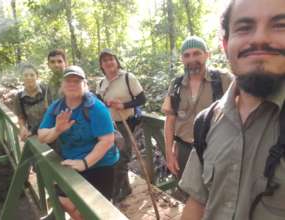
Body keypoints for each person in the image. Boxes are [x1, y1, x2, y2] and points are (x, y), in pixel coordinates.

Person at [179, 0, 285, 219]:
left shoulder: (220, 78)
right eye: (244, 27)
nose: (260, 38)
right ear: (225, 44)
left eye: (280, 25)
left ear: (207, 55)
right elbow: (197, 201)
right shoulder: (206, 122)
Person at [38, 65, 119, 220]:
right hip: (72, 162)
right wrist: (57, 130)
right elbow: (42, 136)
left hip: (101, 163)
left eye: (77, 81)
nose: (72, 84)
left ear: (85, 85)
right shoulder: (56, 107)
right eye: (69, 80)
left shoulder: (96, 107)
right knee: (65, 200)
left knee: (97, 209)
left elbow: (107, 140)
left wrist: (85, 163)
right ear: (62, 85)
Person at [161, 36, 232, 181]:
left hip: (216, 149)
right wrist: (169, 153)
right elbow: (170, 120)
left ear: (207, 55)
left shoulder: (224, 80)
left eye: (197, 53)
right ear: (182, 59)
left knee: (216, 194)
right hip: (184, 150)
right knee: (186, 192)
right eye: (187, 55)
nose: (191, 59)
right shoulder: (176, 85)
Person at [96, 48, 146, 203]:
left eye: (111, 59)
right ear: (101, 65)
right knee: (112, 157)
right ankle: (123, 188)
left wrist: (123, 105)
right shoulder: (101, 83)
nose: (109, 62)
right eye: (105, 61)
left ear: (116, 61)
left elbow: (142, 99)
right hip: (108, 125)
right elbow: (98, 104)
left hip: (126, 124)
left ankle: (119, 190)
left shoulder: (128, 78)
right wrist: (106, 104)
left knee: (122, 157)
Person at [14, 64, 52, 141]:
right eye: (26, 75)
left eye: (32, 75)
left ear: (37, 76)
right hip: (33, 135)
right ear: (22, 77)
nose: (29, 78)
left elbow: (52, 113)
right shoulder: (19, 97)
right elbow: (21, 117)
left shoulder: (47, 90)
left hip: (50, 131)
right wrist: (22, 128)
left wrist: (33, 131)